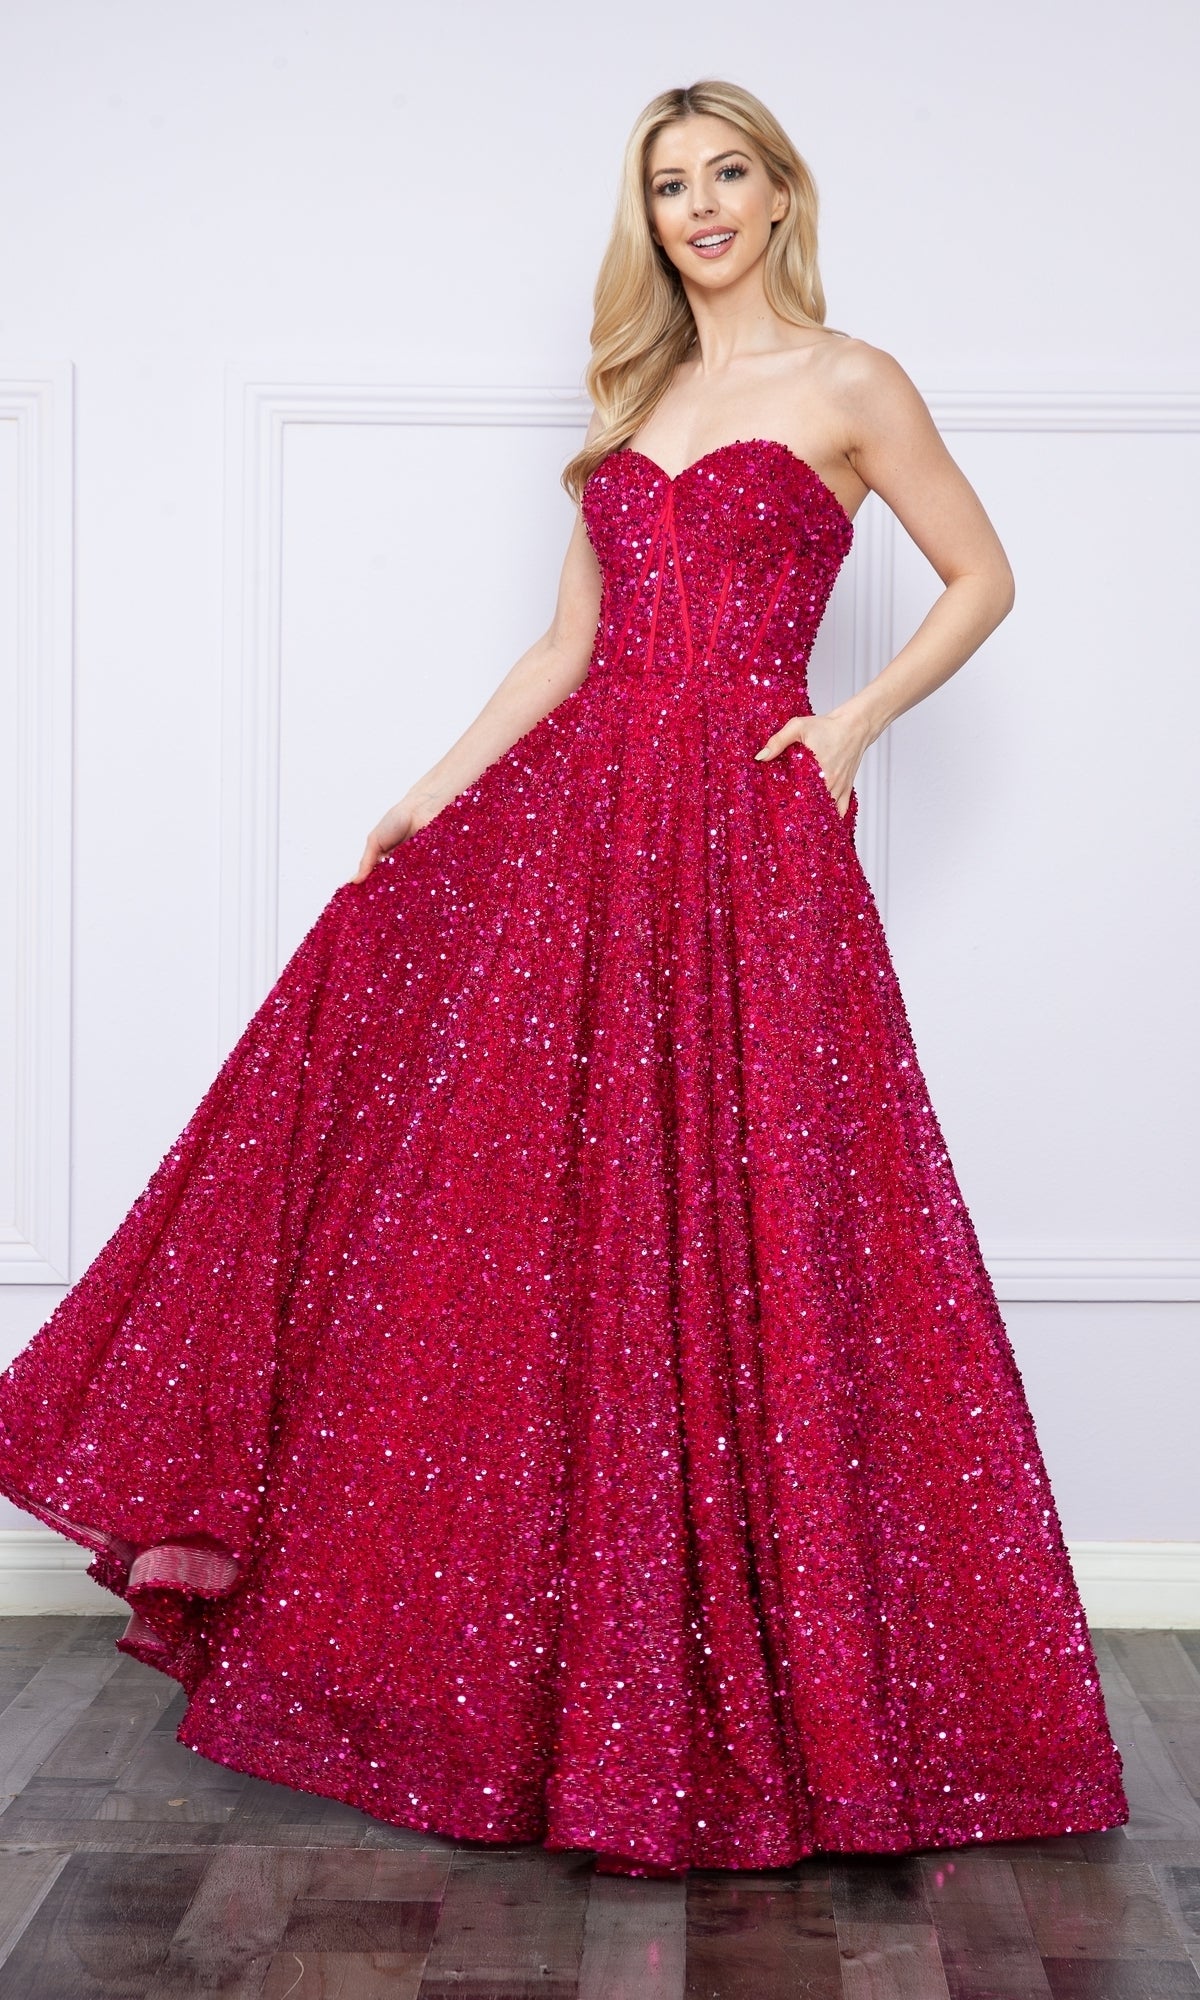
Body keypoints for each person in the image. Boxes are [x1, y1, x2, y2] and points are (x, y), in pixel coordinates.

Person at [0, 78, 1127, 1878]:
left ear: (781, 193)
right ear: (651, 216)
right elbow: (563, 648)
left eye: (727, 174)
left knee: (769, 1212)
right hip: (585, 824)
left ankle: (803, 1702)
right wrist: (424, 800)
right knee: (546, 1217)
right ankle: (565, 1696)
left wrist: (850, 723)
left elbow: (984, 576)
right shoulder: (637, 400)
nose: (701, 206)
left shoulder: (853, 381)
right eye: (670, 184)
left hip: (749, 835)